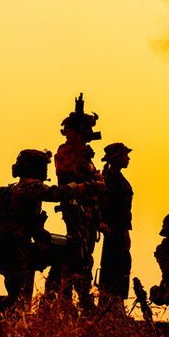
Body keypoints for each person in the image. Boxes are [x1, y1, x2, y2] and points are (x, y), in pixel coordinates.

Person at [0, 149, 100, 310]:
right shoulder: (29, 187)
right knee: (18, 304)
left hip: (9, 249)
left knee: (64, 251)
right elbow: (56, 194)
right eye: (43, 166)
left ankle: (52, 298)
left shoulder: (13, 188)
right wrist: (85, 186)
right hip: (15, 251)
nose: (46, 170)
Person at [45, 93, 107, 310]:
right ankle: (73, 298)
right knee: (77, 254)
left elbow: (99, 183)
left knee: (84, 255)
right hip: (75, 210)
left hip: (90, 212)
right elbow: (67, 178)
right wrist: (89, 179)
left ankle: (74, 296)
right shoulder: (65, 152)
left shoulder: (86, 155)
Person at [99, 143, 133, 307]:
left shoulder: (114, 176)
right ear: (117, 158)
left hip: (119, 228)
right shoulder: (110, 178)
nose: (128, 158)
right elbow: (109, 206)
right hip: (115, 229)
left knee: (121, 264)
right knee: (114, 266)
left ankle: (115, 305)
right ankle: (110, 306)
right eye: (125, 155)